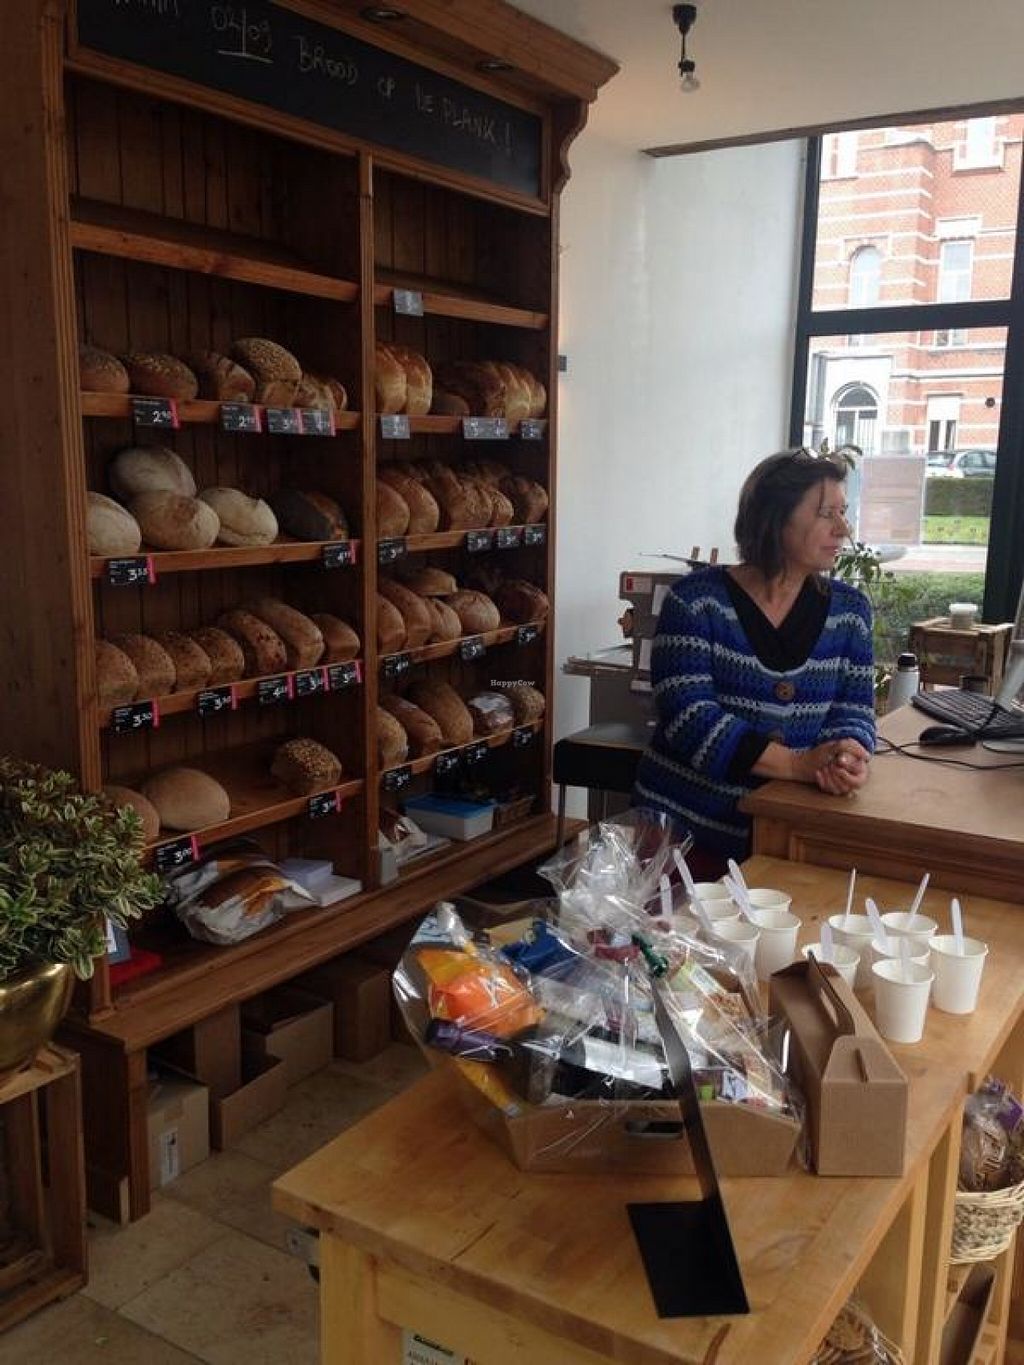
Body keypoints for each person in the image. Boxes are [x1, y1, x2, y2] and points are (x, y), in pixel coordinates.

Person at [634, 448, 875, 877]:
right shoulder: (696, 602)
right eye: (827, 514)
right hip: (684, 835)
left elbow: (853, 710)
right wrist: (797, 764)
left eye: (843, 513)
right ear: (775, 518)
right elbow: (690, 718)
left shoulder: (850, 612)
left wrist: (846, 755)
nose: (844, 528)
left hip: (789, 829)